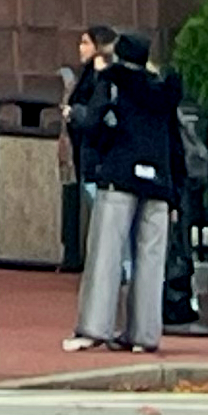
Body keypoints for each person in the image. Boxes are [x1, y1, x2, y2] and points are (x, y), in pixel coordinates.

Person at [72, 31, 183, 354]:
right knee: (150, 261)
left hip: (119, 174)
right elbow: (174, 143)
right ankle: (144, 334)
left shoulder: (113, 82)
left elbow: (93, 123)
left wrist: (76, 117)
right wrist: (175, 192)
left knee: (106, 253)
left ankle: (95, 327)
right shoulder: (164, 92)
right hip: (159, 179)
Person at [62, 24, 124, 348]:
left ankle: (109, 318)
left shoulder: (104, 80)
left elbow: (95, 119)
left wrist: (75, 113)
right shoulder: (92, 77)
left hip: (99, 164)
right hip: (90, 161)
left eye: (85, 42)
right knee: (104, 239)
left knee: (108, 241)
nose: (80, 47)